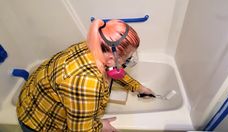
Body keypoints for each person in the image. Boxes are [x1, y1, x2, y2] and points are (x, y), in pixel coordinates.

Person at [16, 19, 155, 132]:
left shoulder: (96, 46)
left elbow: (114, 69)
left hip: (33, 96)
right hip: (38, 121)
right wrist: (100, 126)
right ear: (112, 58)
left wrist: (138, 87)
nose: (129, 61)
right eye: (128, 58)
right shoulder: (87, 82)